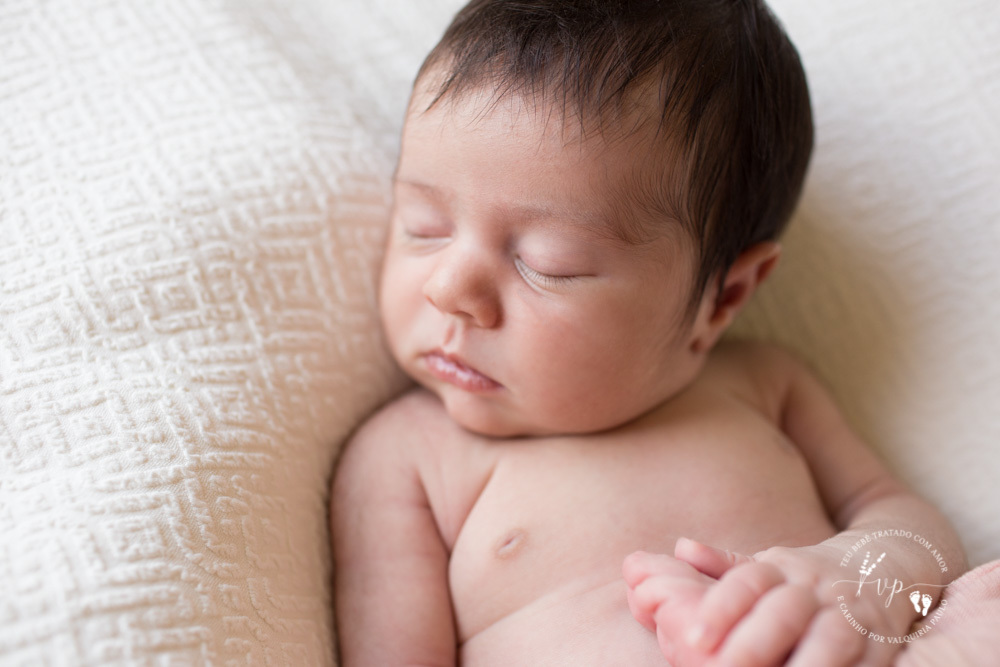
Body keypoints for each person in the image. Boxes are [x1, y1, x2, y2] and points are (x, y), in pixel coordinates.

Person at [331, 1, 968, 664]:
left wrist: (863, 576)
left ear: (725, 296)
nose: (448, 291)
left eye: (547, 263)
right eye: (424, 225)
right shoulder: (407, 456)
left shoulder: (761, 385)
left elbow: (913, 526)